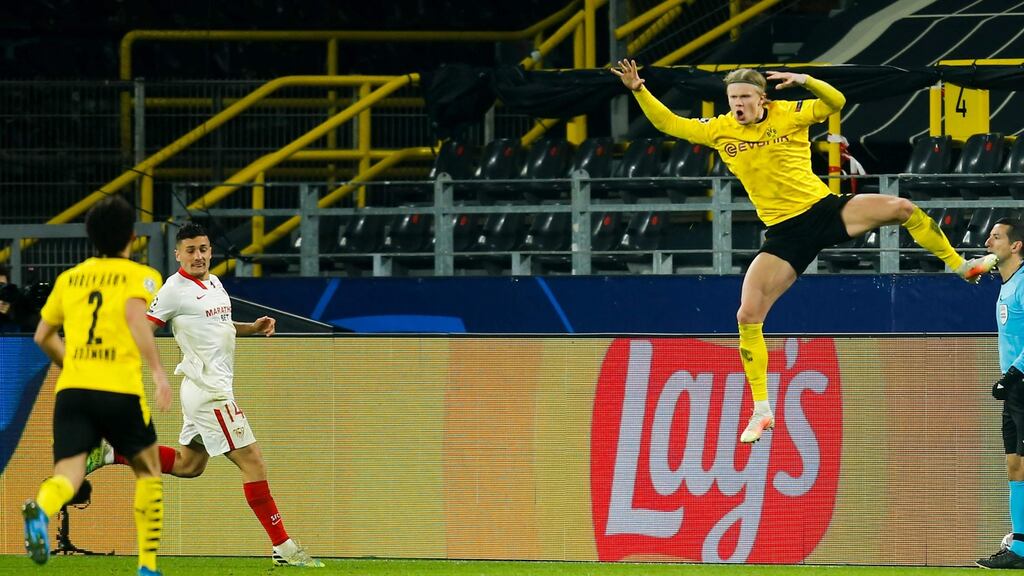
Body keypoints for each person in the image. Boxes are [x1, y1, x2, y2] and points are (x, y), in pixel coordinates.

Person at [611, 60, 997, 444]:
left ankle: (962, 266)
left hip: (824, 211)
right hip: (784, 234)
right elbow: (668, 124)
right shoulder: (719, 129)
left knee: (902, 209)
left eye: (745, 97)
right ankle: (762, 410)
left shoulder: (789, 113)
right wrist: (639, 90)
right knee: (747, 314)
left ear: (762, 98)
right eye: (732, 98)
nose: (738, 105)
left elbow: (836, 101)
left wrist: (806, 80)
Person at [88, 222, 324, 568]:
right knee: (253, 461)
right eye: (190, 250)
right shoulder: (173, 289)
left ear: (210, 251)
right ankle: (285, 549)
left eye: (203, 249)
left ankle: (117, 451)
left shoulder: (214, 282)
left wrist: (252, 329)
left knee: (190, 465)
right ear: (178, 254)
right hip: (209, 391)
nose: (198, 256)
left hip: (205, 390)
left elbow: (221, 327)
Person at [23, 194, 170, 576]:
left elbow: (42, 334)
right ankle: (147, 566)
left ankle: (40, 509)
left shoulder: (70, 279)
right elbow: (136, 317)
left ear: (90, 237)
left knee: (68, 476)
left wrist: (70, 362)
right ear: (132, 236)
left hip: (73, 390)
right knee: (149, 472)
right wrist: (157, 371)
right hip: (119, 389)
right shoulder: (141, 275)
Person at [977, 217, 1024, 569]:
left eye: (995, 237)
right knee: (1015, 465)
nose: (988, 242)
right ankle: (1019, 547)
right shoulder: (1005, 285)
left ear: (1016, 245)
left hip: (1020, 382)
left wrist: (1011, 375)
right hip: (1014, 390)